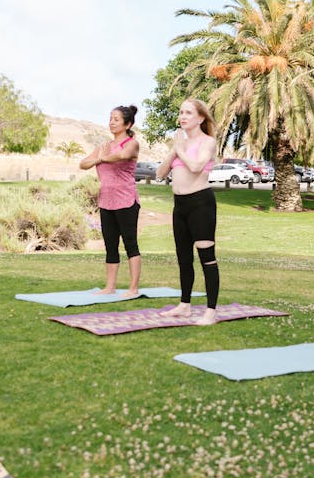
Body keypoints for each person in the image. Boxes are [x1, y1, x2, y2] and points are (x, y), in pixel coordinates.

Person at [155, 99, 221, 325]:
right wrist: (174, 150)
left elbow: (195, 167)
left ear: (201, 118)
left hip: (200, 203)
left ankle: (210, 312)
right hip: (179, 205)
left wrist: (180, 150)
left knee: (206, 258)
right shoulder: (179, 146)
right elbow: (160, 174)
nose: (183, 116)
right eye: (181, 112)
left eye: (189, 113)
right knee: (184, 258)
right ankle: (184, 305)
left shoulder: (208, 142)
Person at [79, 105, 142, 297]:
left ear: (127, 123)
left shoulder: (132, 143)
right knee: (110, 244)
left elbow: (121, 156)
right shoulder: (103, 147)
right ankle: (110, 287)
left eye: (116, 119)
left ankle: (133, 288)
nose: (112, 122)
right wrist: (100, 157)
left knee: (130, 243)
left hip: (126, 200)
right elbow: (83, 164)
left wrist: (100, 158)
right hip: (106, 201)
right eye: (110, 119)